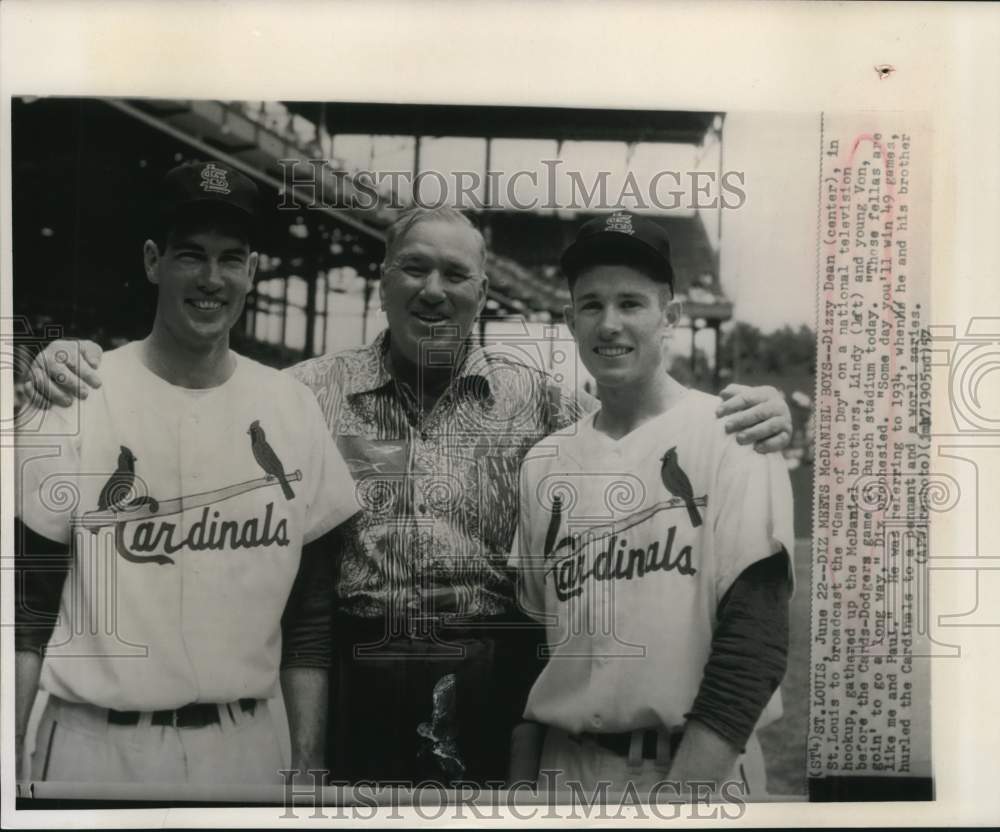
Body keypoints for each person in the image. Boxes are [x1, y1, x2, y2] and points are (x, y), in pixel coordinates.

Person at [25, 205, 793, 786]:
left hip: (493, 673)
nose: (434, 291)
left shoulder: (544, 405)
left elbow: (638, 425)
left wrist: (771, 412)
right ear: (382, 278)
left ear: (484, 292)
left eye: (456, 276)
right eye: (415, 269)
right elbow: (189, 419)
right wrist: (68, 361)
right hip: (356, 671)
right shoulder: (302, 395)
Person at [13, 161, 359, 787]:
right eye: (189, 256)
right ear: (152, 260)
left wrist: (307, 764)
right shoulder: (81, 394)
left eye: (231, 258)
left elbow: (309, 620)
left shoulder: (291, 407)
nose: (210, 279)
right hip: (94, 747)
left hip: (246, 747)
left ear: (252, 271)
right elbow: (26, 612)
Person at [507, 211, 794, 797]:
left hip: (695, 773)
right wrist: (519, 791)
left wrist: (681, 801)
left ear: (671, 317)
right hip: (563, 775)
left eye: (631, 303)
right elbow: (530, 646)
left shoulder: (734, 434)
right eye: (591, 305)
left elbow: (754, 646)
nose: (609, 324)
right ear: (568, 321)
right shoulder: (543, 462)